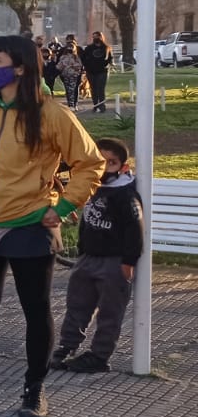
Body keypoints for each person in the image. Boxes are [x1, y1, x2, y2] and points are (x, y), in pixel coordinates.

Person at [0, 35, 104, 417]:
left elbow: (91, 163)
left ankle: (34, 389)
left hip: (29, 224)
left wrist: (64, 206)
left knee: (35, 308)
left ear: (21, 68)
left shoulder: (52, 114)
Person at [51, 137, 143, 374]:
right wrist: (82, 250)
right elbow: (86, 221)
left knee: (110, 312)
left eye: (111, 163)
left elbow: (135, 230)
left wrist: (128, 262)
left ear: (123, 166)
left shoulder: (125, 195)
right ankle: (67, 345)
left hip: (114, 261)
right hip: (88, 258)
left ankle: (100, 355)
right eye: (100, 161)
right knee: (77, 304)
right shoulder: (93, 186)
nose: (104, 168)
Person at [82, 31, 113, 114]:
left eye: (96, 36)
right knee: (94, 89)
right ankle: (95, 105)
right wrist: (86, 67)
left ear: (101, 37)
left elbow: (110, 58)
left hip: (102, 71)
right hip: (91, 72)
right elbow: (83, 58)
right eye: (93, 37)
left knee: (101, 89)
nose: (95, 38)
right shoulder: (89, 48)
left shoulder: (106, 48)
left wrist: (107, 64)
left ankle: (102, 106)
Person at [54, 35, 84, 109]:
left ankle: (74, 103)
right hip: (65, 74)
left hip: (75, 75)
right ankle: (70, 104)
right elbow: (59, 64)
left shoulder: (77, 55)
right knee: (68, 89)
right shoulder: (63, 55)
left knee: (74, 88)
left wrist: (74, 67)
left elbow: (80, 64)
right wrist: (59, 69)